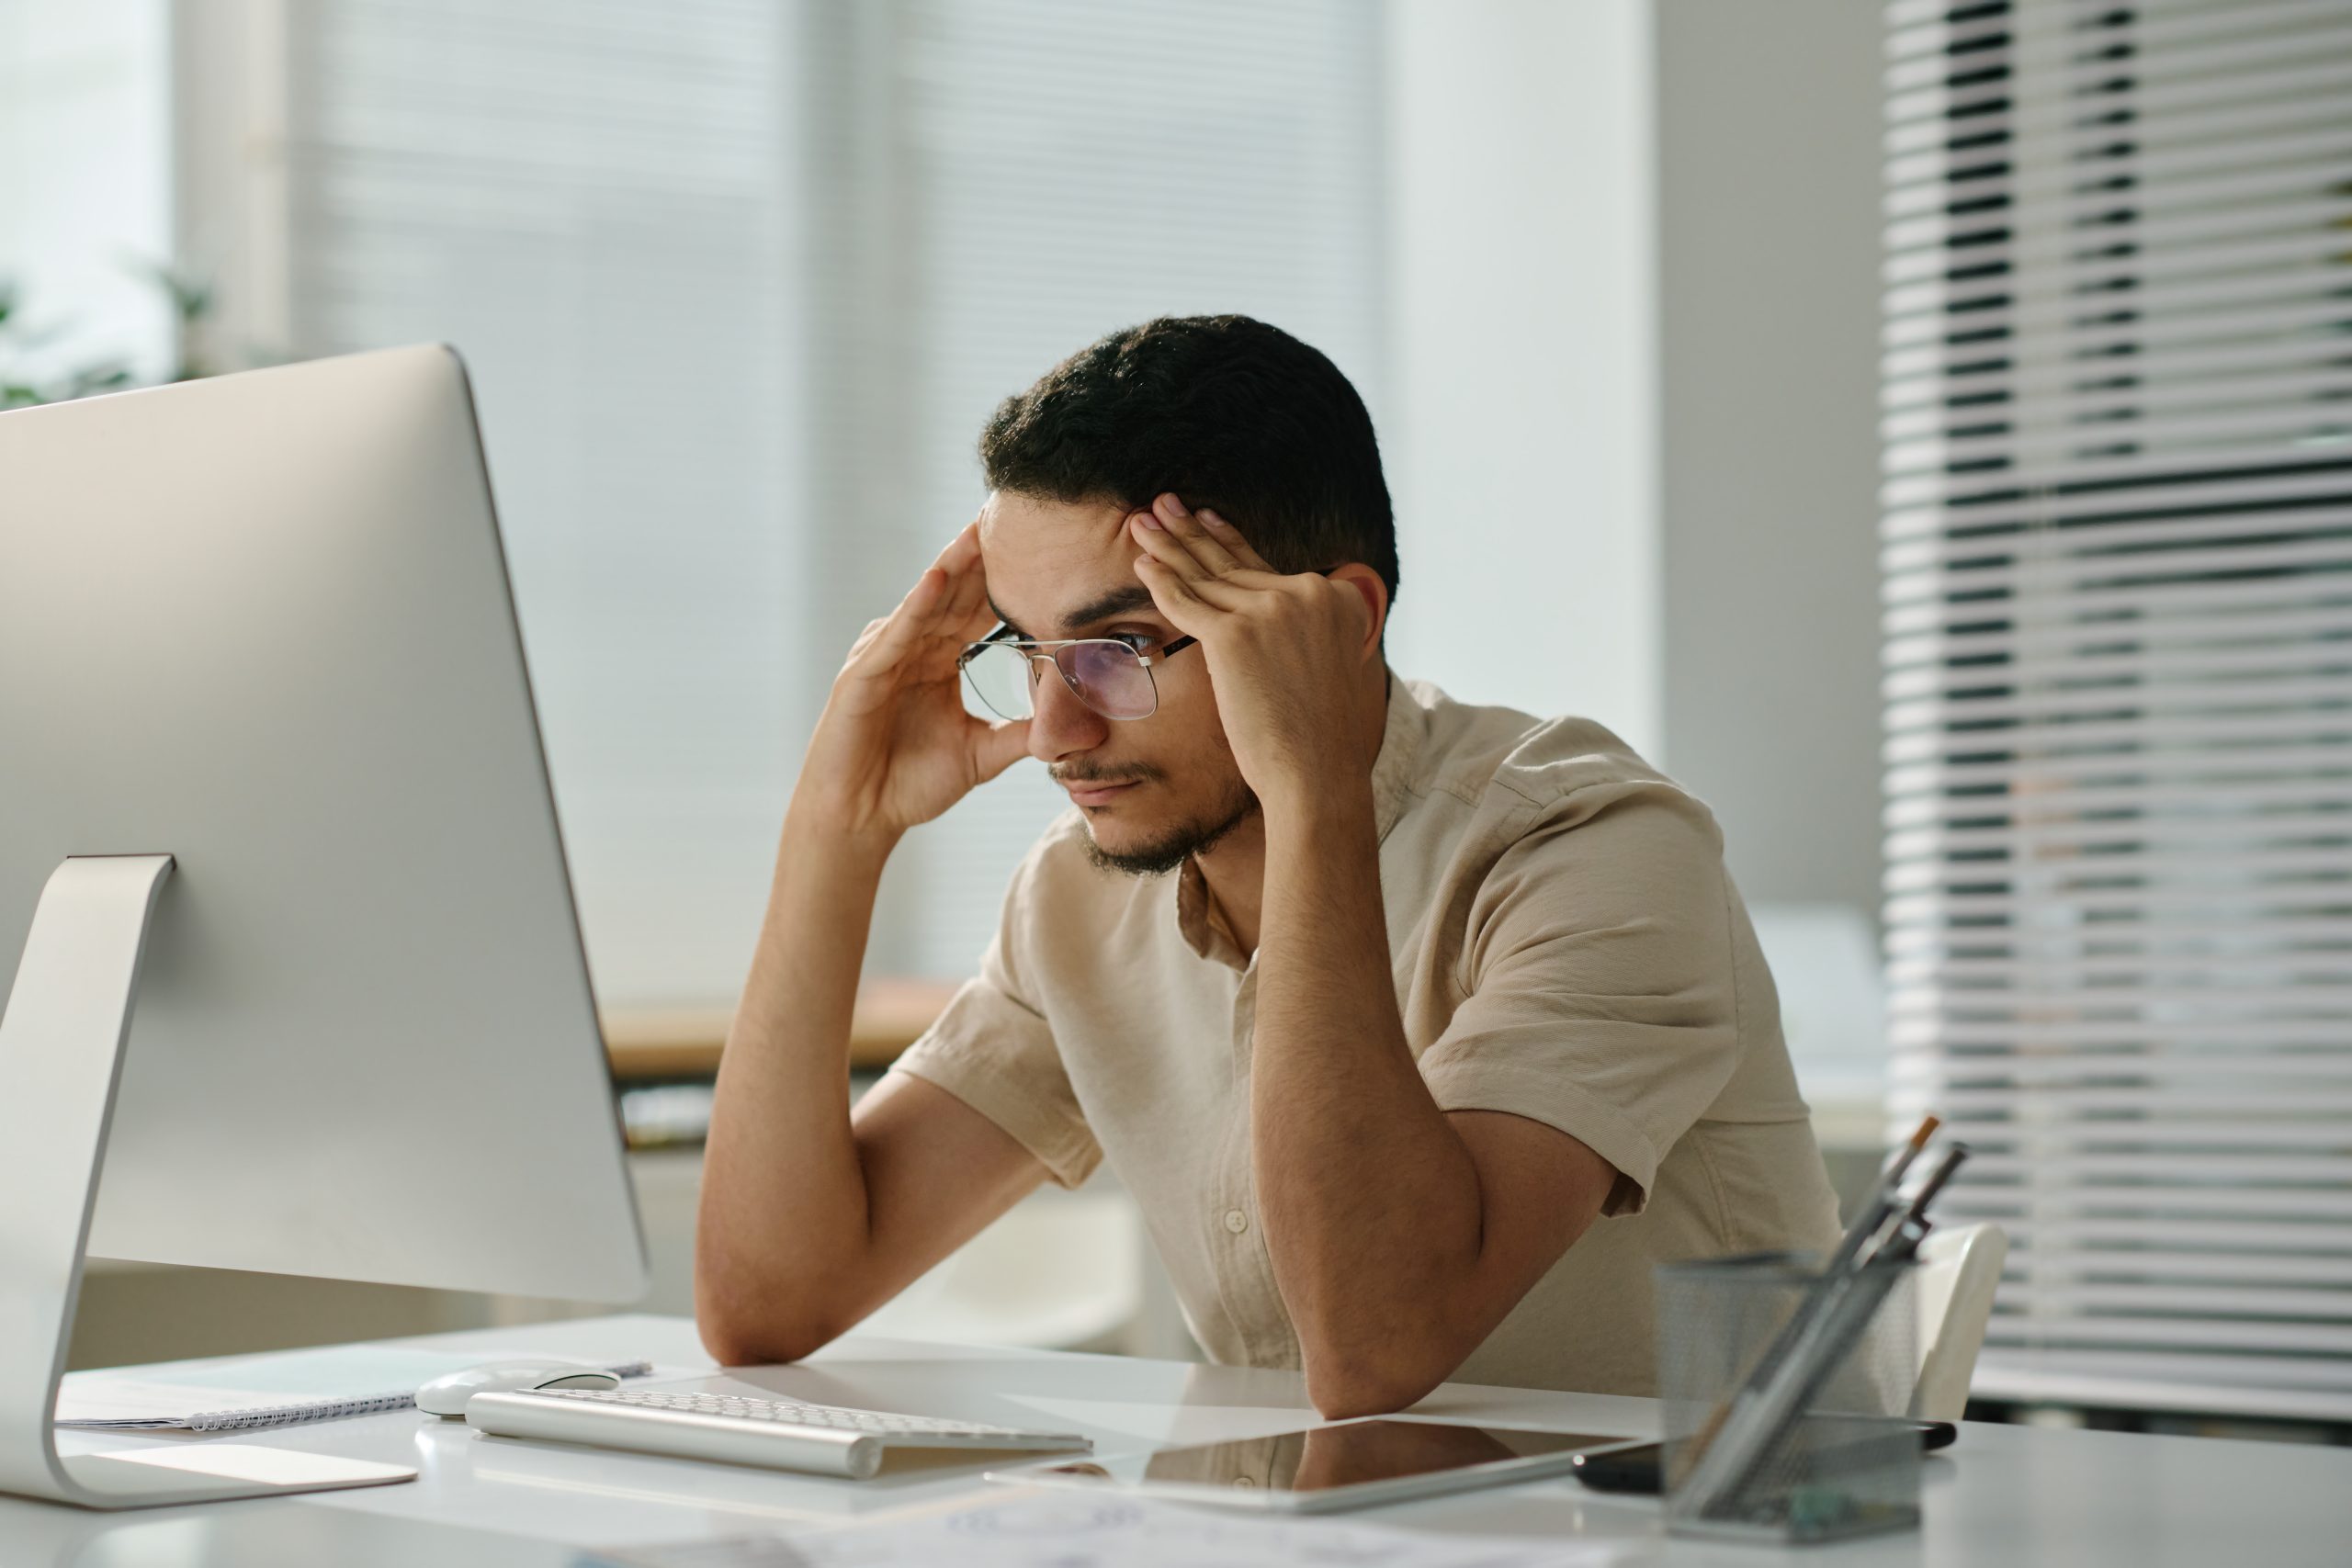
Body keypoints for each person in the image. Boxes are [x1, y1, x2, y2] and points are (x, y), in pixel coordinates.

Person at [695, 314, 1842, 1414]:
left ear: (1337, 624)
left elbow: (1376, 1347)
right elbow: (769, 1304)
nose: (1053, 732)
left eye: (1121, 648)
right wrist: (836, 831)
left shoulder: (1597, 852)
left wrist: (1311, 794)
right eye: (1027, 651)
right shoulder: (1078, 903)